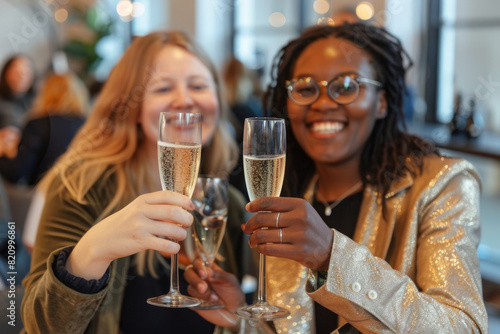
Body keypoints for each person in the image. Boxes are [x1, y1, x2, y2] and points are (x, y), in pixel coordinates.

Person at [185, 23, 488, 333]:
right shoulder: (290, 192)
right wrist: (239, 318)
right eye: (305, 88)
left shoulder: (440, 184)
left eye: (346, 86)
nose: (324, 103)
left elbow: (462, 327)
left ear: (381, 101)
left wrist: (332, 257)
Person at [20, 31, 247, 334]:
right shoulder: (80, 187)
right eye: (163, 87)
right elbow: (40, 326)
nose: (184, 99)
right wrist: (92, 252)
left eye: (199, 85)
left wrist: (238, 322)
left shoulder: (225, 202)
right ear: (132, 103)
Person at [0, 72, 89, 185]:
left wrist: (3, 152)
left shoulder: (41, 123)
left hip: (39, 194)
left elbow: (15, 172)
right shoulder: (86, 126)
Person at [0, 56, 36, 157]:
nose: (21, 76)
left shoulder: (37, 103)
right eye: (17, 72)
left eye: (25, 73)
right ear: (6, 73)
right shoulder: (3, 103)